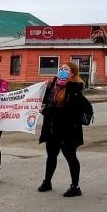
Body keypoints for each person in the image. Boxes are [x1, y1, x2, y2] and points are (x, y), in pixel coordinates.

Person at [37, 62, 90, 197]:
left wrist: (52, 111)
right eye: (60, 68)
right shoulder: (54, 87)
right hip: (52, 129)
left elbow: (72, 111)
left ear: (72, 73)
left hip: (68, 131)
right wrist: (44, 88)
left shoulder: (74, 89)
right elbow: (46, 102)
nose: (61, 70)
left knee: (70, 157)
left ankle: (75, 186)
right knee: (51, 156)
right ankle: (47, 182)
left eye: (65, 69)